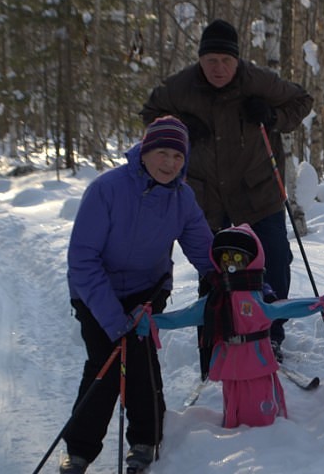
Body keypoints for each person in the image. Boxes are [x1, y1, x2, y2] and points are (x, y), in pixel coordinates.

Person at [139, 18, 313, 361]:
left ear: (238, 60)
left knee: (275, 261)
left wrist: (273, 117)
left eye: (226, 61)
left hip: (259, 191)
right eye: (211, 61)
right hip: (208, 198)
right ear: (200, 60)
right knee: (213, 268)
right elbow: (150, 113)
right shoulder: (181, 87)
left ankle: (270, 334)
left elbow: (301, 101)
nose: (218, 69)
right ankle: (216, 335)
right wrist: (181, 126)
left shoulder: (257, 81)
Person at [61, 116, 215, 474]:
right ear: (144, 152)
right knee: (107, 366)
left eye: (178, 157)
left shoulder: (182, 197)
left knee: (142, 363)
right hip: (95, 290)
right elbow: (82, 261)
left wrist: (241, 280)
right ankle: (79, 451)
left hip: (146, 291)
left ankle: (146, 439)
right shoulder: (107, 189)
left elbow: (203, 249)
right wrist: (115, 322)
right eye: (162, 153)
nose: (170, 164)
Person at [136, 224, 324, 428]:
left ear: (251, 260)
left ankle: (266, 450)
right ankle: (237, 443)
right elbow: (184, 316)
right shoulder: (216, 299)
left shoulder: (259, 296)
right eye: (225, 257)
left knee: (261, 415)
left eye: (237, 257)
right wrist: (153, 321)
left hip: (256, 362)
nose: (230, 263)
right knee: (234, 410)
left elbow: (286, 308)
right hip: (230, 363)